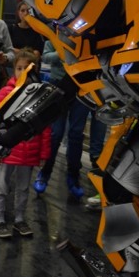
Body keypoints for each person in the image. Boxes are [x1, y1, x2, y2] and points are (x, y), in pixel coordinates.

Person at [0, 49, 51, 238]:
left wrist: (43, 154)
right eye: (19, 68)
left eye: (27, 68)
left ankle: (19, 219)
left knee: (23, 188)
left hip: (29, 154)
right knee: (2, 186)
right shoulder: (5, 93)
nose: (23, 71)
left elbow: (45, 129)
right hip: (8, 152)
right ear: (13, 69)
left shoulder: (41, 96)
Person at [34, 39, 90, 199]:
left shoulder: (88, 32)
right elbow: (46, 57)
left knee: (76, 134)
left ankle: (73, 177)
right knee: (55, 134)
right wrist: (63, 52)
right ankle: (44, 174)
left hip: (82, 87)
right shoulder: (56, 32)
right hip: (59, 85)